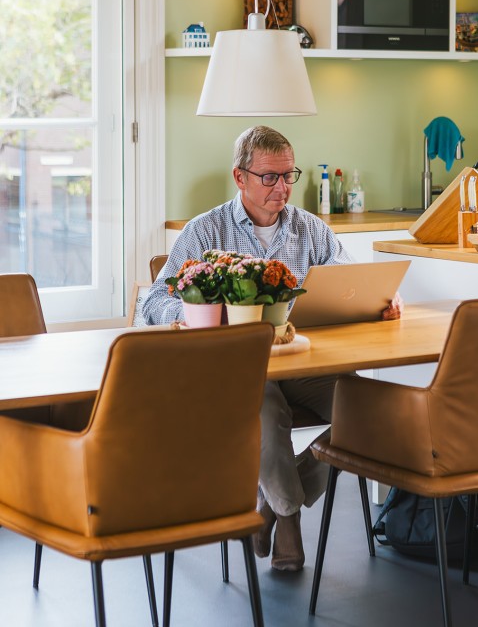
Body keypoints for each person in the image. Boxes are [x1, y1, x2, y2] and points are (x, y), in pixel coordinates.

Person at [143, 125, 402, 572]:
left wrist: (382, 299)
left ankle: (275, 506)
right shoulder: (205, 231)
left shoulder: (311, 230)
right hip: (236, 372)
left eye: (289, 175)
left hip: (304, 364)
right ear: (239, 177)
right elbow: (152, 301)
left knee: (373, 417)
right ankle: (289, 523)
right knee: (265, 413)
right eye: (269, 177)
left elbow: (350, 285)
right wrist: (185, 316)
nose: (282, 188)